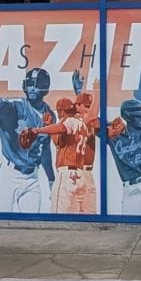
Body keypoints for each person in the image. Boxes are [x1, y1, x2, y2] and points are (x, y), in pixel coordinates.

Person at [0, 67, 56, 213]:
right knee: (1, 221)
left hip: (32, 177)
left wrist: (51, 179)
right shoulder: (17, 106)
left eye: (36, 84)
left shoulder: (49, 116)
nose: (32, 88)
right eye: (30, 84)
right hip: (9, 174)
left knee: (32, 222)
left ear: (44, 88)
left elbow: (45, 150)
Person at [21, 85, 98, 214]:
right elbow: (59, 142)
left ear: (61, 112)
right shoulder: (82, 125)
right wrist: (49, 125)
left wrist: (37, 130)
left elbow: (62, 127)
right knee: (79, 218)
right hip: (80, 176)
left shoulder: (70, 121)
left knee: (59, 216)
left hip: (67, 176)